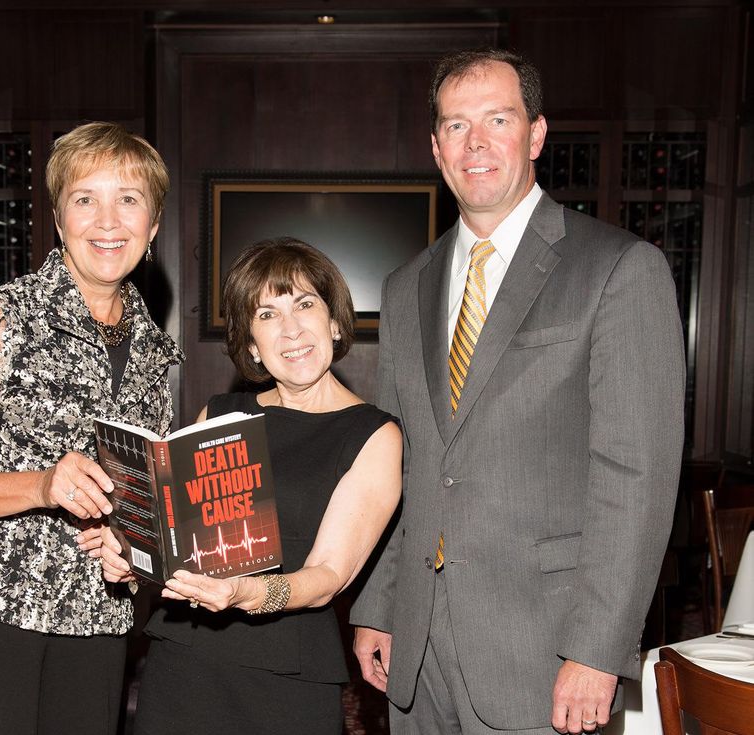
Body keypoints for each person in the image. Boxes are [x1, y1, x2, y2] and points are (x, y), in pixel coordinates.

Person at [351, 49, 685, 735]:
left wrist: (597, 649)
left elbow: (637, 481)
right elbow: (401, 464)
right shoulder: (404, 286)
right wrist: (378, 606)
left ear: (535, 135)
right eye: (455, 125)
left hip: (543, 653)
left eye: (496, 120)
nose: (475, 144)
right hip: (418, 655)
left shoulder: (619, 270)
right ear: (436, 147)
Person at [0, 122, 183, 735]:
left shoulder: (158, 353)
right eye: (86, 199)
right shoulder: (1, 316)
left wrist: (134, 556)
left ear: (153, 225)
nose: (108, 221)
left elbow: (142, 502)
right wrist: (41, 485)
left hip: (95, 622)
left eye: (128, 200)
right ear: (60, 219)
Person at [92, 238, 403, 734]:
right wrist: (129, 556)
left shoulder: (373, 434)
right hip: (184, 665)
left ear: (335, 322)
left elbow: (329, 576)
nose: (292, 329)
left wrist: (247, 593)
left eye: (305, 304)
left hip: (286, 682)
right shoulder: (219, 416)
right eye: (267, 314)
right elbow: (177, 548)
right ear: (253, 346)